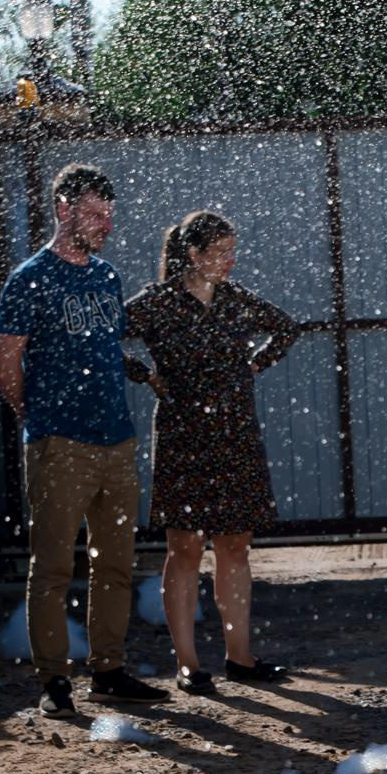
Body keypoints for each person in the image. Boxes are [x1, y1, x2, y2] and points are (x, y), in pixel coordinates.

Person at [0, 162, 167, 717]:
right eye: (94, 213)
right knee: (52, 569)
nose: (104, 225)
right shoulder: (29, 279)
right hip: (59, 444)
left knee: (115, 564)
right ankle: (53, 683)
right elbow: (5, 362)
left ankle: (109, 671)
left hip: (116, 441)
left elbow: (103, 348)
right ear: (64, 210)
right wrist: (39, 418)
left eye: (109, 216)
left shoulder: (106, 277)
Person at [124, 210, 299, 694]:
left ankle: (240, 658)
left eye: (231, 251)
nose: (230, 260)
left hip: (236, 434)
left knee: (235, 545)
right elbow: (103, 336)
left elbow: (286, 329)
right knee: (184, 548)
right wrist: (143, 373)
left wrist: (250, 367)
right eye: (220, 252)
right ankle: (188, 665)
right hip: (184, 436)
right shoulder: (158, 303)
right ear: (194, 254)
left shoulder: (234, 300)